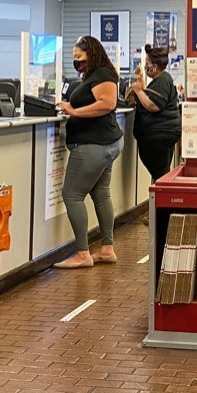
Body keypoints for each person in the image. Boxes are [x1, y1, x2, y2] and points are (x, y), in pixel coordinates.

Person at [54, 35, 124, 268]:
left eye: (79, 57)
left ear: (91, 54)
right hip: (106, 143)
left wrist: (74, 112)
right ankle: (106, 249)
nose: (76, 62)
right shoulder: (95, 75)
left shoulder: (102, 74)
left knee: (72, 195)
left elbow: (107, 103)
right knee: (100, 193)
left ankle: (83, 254)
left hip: (94, 145)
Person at [127, 44, 181, 181]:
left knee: (160, 176)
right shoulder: (162, 79)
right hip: (163, 134)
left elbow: (154, 105)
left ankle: (160, 202)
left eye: (147, 64)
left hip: (157, 135)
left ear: (155, 66)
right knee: (161, 174)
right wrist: (142, 87)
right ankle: (158, 202)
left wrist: (138, 91)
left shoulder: (162, 80)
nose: (145, 67)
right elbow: (152, 96)